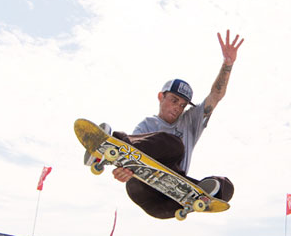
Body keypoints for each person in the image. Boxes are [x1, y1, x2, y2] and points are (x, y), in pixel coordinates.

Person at [98, 30, 244, 219]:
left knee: (226, 185)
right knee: (171, 143)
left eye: (183, 105)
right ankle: (110, 143)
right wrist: (122, 169)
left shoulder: (190, 121)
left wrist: (227, 64)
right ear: (161, 96)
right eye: (174, 101)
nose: (178, 108)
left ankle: (197, 199)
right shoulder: (147, 125)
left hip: (168, 205)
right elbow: (128, 162)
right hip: (143, 191)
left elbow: (215, 96)